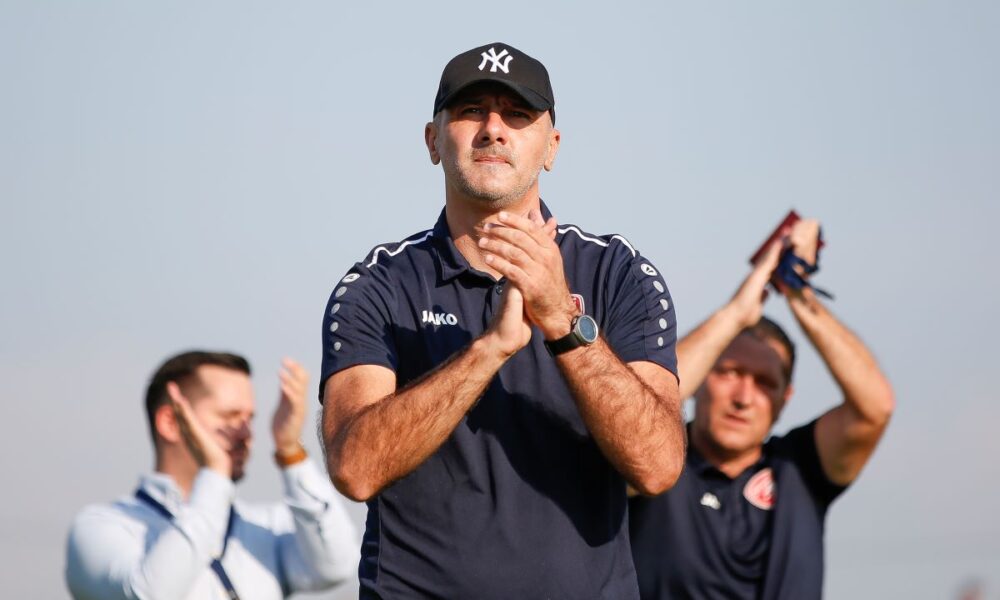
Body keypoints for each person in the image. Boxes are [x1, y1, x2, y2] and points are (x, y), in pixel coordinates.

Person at [319, 42, 685, 599]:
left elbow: (658, 467)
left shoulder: (619, 272)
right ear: (432, 141)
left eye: (517, 114)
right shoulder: (378, 284)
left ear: (552, 147)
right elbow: (355, 469)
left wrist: (562, 321)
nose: (493, 129)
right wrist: (489, 349)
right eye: (471, 111)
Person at [628, 218, 895, 600]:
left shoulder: (800, 469)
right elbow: (641, 405)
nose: (743, 397)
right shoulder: (651, 459)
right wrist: (735, 313)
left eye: (764, 383)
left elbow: (875, 407)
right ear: (700, 378)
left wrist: (797, 289)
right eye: (729, 372)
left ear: (785, 399)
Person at [65, 351, 358, 600]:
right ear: (170, 422)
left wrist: (290, 451)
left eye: (249, 419)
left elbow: (335, 566)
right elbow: (150, 594)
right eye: (229, 417)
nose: (246, 433)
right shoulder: (102, 527)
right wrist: (215, 471)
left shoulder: (264, 524)